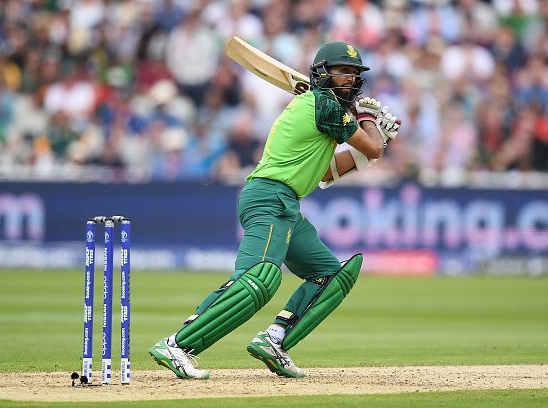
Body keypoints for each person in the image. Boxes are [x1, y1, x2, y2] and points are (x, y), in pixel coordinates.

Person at [148, 42, 400, 379]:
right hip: (269, 197)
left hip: (286, 205)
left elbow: (327, 171)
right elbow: (372, 147)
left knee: (332, 275)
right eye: (344, 72)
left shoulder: (322, 113)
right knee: (259, 278)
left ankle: (276, 340)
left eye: (355, 74)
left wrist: (373, 142)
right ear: (323, 73)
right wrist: (370, 122)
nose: (351, 80)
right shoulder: (322, 104)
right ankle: (178, 345)